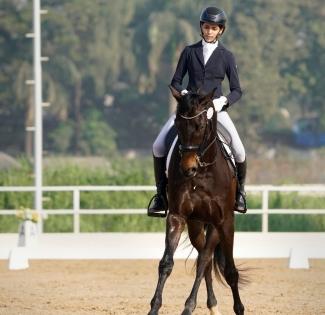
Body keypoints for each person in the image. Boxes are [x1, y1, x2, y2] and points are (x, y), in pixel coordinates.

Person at [148, 6, 247, 216]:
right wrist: (184, 94)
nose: (209, 31)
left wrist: (223, 102)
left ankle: (239, 194)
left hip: (215, 110)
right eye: (206, 26)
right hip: (190, 111)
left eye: (214, 28)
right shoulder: (189, 51)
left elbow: (237, 90)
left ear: (221, 30)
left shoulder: (227, 56)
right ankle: (160, 196)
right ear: (201, 27)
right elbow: (175, 81)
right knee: (158, 146)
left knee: (239, 150)